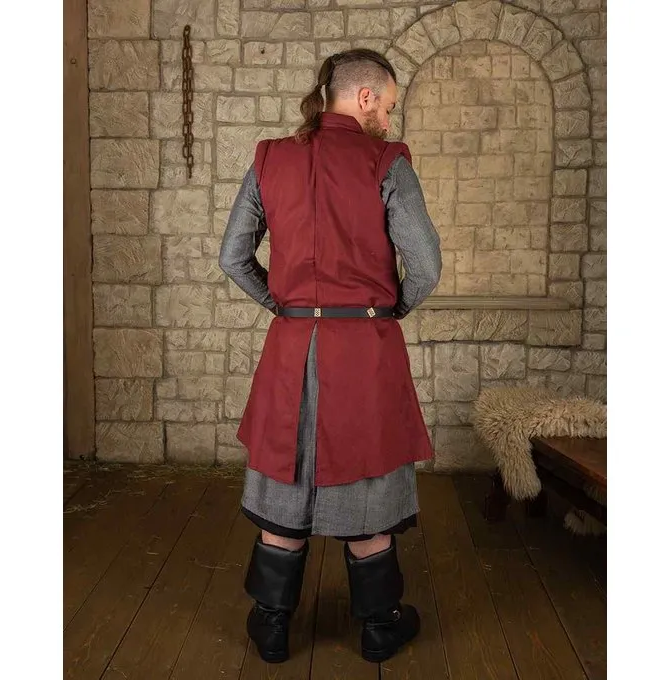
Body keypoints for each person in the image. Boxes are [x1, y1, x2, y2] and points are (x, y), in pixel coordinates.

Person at [218, 48, 442, 665]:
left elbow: (232, 256)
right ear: (364, 97)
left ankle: (270, 625)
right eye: (387, 107)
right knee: (367, 486)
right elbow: (426, 267)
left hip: (290, 347)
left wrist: (284, 306)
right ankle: (379, 626)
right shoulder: (386, 161)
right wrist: (386, 311)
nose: (388, 121)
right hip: (364, 352)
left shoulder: (271, 158)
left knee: (284, 487)